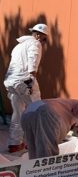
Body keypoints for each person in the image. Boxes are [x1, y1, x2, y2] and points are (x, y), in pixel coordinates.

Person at [3, 23, 48, 152]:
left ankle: (15, 144)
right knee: (38, 111)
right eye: (44, 39)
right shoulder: (35, 43)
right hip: (25, 80)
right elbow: (32, 60)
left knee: (18, 113)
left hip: (11, 82)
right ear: (38, 35)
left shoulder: (19, 46)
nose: (44, 42)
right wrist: (31, 78)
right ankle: (36, 144)